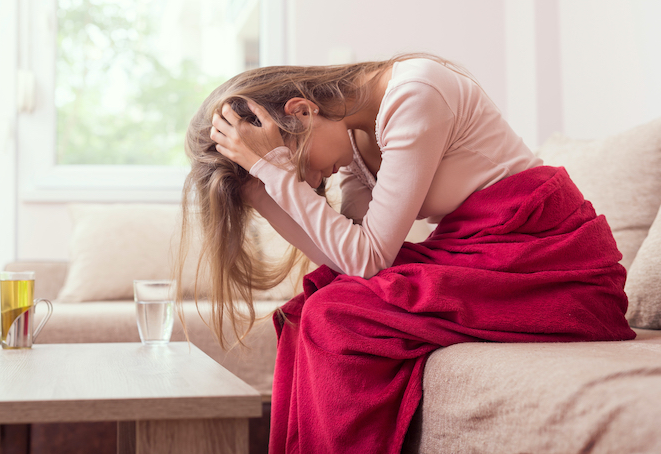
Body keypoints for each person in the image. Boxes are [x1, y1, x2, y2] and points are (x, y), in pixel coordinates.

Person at [179, 53, 634, 453]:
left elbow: (367, 258)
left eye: (298, 166)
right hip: (484, 247)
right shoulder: (354, 139)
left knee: (333, 316)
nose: (312, 180)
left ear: (301, 110)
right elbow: (350, 260)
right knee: (315, 303)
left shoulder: (415, 93)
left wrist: (275, 174)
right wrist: (260, 191)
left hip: (546, 250)